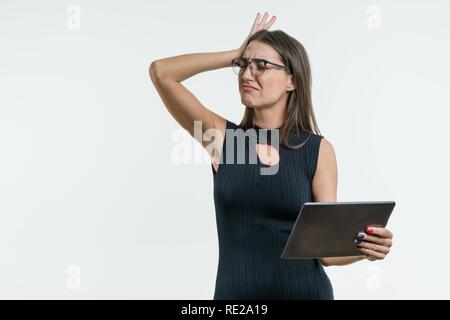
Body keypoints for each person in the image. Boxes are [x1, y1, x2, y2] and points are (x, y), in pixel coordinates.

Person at [149, 12, 394, 300]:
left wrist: (367, 247)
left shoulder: (317, 150)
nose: (247, 74)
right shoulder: (224, 141)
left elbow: (326, 252)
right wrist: (237, 52)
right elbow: (161, 73)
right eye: (243, 66)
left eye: (261, 66)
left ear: (292, 80)